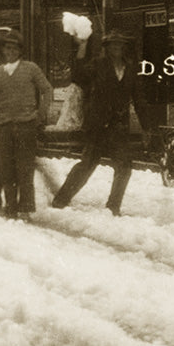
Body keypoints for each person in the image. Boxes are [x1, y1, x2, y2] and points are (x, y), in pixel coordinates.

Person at [52, 29, 153, 216]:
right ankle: (60, 200)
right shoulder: (98, 65)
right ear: (107, 47)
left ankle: (113, 207)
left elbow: (139, 100)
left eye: (120, 45)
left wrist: (147, 127)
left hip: (118, 127)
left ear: (124, 48)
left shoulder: (130, 69)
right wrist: (81, 47)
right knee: (87, 164)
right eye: (113, 44)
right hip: (98, 125)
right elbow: (78, 76)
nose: (117, 48)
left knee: (124, 167)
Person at [0, 31, 53, 219]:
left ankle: (25, 209)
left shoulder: (30, 68)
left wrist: (40, 114)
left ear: (20, 51)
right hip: (4, 128)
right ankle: (11, 208)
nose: (10, 51)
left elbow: (47, 90)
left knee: (25, 169)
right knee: (7, 169)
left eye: (14, 48)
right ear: (3, 50)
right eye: (7, 48)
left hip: (26, 126)